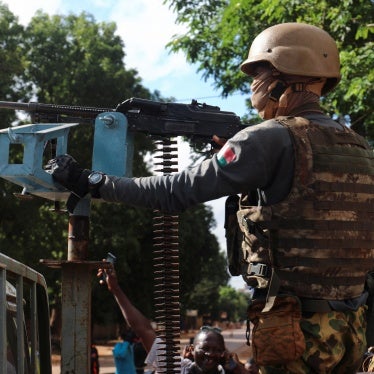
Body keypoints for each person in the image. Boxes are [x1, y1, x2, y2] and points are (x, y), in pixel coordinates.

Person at [47, 22, 374, 373]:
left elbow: (173, 192)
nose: (253, 85)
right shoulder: (361, 148)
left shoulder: (267, 139)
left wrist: (91, 181)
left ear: (283, 77)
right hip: (351, 331)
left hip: (295, 334)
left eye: (257, 73)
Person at [97, 263, 248, 373]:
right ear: (192, 350)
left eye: (217, 350)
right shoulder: (176, 367)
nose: (210, 354)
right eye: (205, 348)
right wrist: (115, 289)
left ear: (223, 353)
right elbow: (143, 329)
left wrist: (235, 367)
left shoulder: (228, 372)